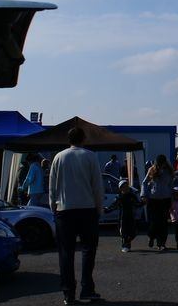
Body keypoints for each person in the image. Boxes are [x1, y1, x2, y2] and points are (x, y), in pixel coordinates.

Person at [49, 127, 105, 304]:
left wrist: (53, 206)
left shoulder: (59, 157)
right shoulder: (90, 156)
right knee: (89, 250)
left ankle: (68, 293)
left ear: (69, 139)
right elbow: (97, 186)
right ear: (84, 139)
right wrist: (99, 208)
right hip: (87, 209)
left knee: (66, 252)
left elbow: (52, 186)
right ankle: (87, 288)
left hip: (64, 210)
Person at [141, 154, 174, 251]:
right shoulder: (152, 169)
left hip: (165, 199)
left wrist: (172, 200)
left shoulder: (169, 171)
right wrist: (143, 195)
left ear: (165, 163)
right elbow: (144, 183)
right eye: (158, 164)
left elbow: (171, 185)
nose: (160, 166)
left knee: (163, 222)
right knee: (154, 221)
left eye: (161, 164)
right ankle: (151, 236)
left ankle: (161, 243)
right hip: (153, 199)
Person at [104, 179, 143, 253]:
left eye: (126, 186)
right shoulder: (119, 197)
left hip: (131, 216)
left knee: (133, 232)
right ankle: (125, 246)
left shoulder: (132, 195)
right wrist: (107, 209)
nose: (126, 188)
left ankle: (128, 242)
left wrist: (143, 203)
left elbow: (137, 204)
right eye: (124, 186)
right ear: (120, 188)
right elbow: (114, 205)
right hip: (123, 217)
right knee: (124, 232)